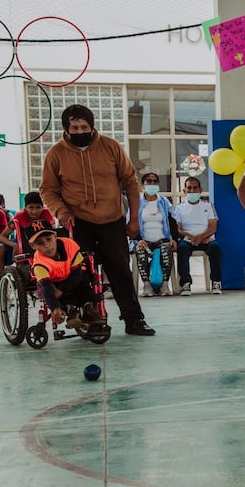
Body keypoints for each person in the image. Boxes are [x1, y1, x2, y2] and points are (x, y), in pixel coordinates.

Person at [39, 104, 155, 335]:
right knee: (81, 272)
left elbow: (130, 183)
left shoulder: (111, 147)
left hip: (112, 220)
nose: (80, 131)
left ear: (92, 127)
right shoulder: (56, 154)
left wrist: (133, 220)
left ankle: (134, 320)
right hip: (78, 222)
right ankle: (88, 317)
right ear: (66, 128)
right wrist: (61, 211)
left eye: (84, 127)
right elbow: (48, 190)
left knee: (120, 271)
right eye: (75, 127)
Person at [28, 220, 105, 329]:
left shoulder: (70, 246)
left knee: (84, 278)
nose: (47, 246)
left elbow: (77, 273)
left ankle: (89, 307)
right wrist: (55, 308)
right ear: (32, 246)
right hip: (55, 282)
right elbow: (45, 287)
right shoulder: (39, 264)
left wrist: (62, 290)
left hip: (75, 276)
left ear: (55, 236)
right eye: (40, 243)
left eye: (49, 239)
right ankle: (70, 310)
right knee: (52, 291)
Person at [173, 176, 223, 296]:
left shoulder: (208, 206)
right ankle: (185, 284)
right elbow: (178, 229)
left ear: (200, 190)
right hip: (187, 240)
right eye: (189, 188)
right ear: (184, 191)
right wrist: (191, 237)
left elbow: (213, 227)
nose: (192, 191)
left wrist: (201, 237)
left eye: (195, 188)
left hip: (207, 239)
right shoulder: (179, 208)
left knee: (215, 248)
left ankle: (216, 282)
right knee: (182, 249)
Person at [0, 191, 55, 282]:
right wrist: (14, 245)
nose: (34, 211)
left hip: (42, 243)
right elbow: (2, 237)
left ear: (43, 207)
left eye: (38, 207)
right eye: (31, 207)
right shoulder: (20, 216)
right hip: (23, 243)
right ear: (25, 207)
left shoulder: (47, 214)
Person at [134, 172, 176, 297]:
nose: (152, 183)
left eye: (154, 181)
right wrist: (138, 239)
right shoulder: (137, 203)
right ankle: (147, 285)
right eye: (149, 181)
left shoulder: (164, 202)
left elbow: (172, 221)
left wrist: (174, 239)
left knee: (167, 249)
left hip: (162, 239)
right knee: (140, 251)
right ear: (143, 185)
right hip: (144, 240)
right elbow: (131, 224)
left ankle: (164, 284)